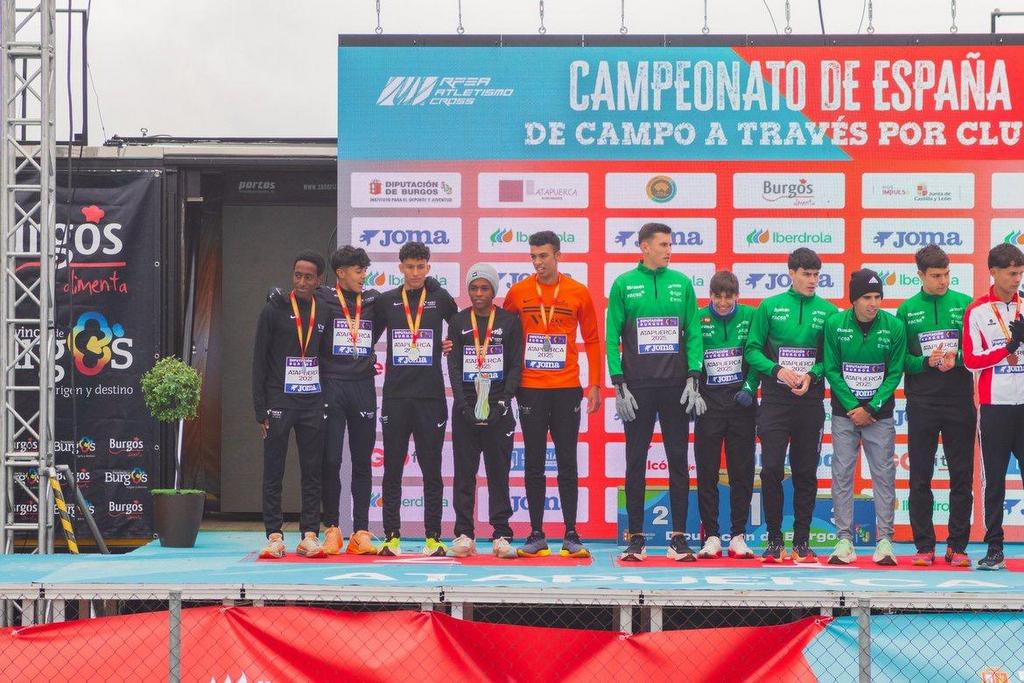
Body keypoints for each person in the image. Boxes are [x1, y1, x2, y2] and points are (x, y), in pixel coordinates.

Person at [606, 222, 705, 562]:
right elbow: (611, 337)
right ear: (644, 247)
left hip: (676, 387)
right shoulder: (624, 284)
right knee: (635, 460)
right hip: (638, 388)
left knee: (678, 460)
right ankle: (636, 539)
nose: (668, 250)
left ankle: (679, 539)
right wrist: (618, 382)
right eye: (663, 244)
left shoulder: (681, 283)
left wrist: (693, 376)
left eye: (670, 244)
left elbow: (693, 332)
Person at [503, 230, 602, 559]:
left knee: (567, 461)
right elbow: (503, 332)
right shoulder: (518, 292)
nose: (538, 262)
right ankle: (536, 534)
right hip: (530, 388)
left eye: (543, 256)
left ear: (558, 255)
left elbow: (592, 339)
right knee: (533, 461)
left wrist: (595, 384)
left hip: (566, 388)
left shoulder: (578, 292)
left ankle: (571, 534)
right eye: (533, 256)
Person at [744, 248, 838, 563]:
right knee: (771, 469)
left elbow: (830, 359)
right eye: (806, 274)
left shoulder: (829, 311)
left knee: (805, 472)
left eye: (816, 275)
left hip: (809, 402)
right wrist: (777, 370)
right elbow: (752, 350)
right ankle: (774, 540)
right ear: (791, 273)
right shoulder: (769, 307)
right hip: (774, 401)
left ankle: (801, 542)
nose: (812, 280)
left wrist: (812, 375)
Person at [374, 241, 458, 557]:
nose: (415, 272)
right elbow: (367, 336)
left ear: (428, 267)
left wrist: (451, 344)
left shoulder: (439, 298)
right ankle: (391, 537)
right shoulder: (387, 300)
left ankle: (433, 537)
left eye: (421, 267)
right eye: (409, 267)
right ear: (400, 268)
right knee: (392, 468)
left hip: (430, 397)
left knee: (432, 469)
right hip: (395, 396)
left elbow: (462, 328)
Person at [896, 245, 974, 567]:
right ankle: (924, 546)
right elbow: (901, 360)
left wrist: (958, 359)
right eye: (936, 276)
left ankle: (957, 546)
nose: (943, 281)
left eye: (946, 274)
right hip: (922, 402)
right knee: (920, 477)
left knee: (962, 477)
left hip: (959, 401)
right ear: (920, 275)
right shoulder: (906, 310)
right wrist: (926, 361)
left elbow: (977, 354)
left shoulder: (965, 304)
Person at [823, 269, 905, 566]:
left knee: (883, 474)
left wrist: (870, 408)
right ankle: (844, 540)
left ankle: (885, 541)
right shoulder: (835, 324)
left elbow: (894, 372)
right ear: (854, 299)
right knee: (842, 473)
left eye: (878, 297)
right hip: (845, 414)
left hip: (878, 415)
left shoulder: (894, 326)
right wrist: (853, 407)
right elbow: (831, 368)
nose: (874, 303)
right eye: (867, 297)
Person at [252, 251, 330, 559]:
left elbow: (329, 356)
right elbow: (259, 360)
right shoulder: (274, 309)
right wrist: (260, 409)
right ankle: (274, 535)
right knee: (274, 470)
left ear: (319, 280)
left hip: (312, 402)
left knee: (312, 471)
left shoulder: (324, 310)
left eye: (308, 277)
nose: (301, 281)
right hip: (279, 402)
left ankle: (309, 535)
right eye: (297, 275)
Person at [447, 264, 523, 559]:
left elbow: (515, 365)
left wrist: (503, 402)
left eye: (484, 288)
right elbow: (454, 366)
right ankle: (464, 534)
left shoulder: (509, 321)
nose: (478, 294)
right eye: (474, 288)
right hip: (466, 410)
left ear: (494, 291)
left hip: (498, 410)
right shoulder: (458, 321)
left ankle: (501, 534)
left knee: (498, 474)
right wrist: (463, 405)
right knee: (464, 474)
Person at [964, 243, 1024, 571]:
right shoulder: (977, 311)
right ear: (994, 272)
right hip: (994, 407)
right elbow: (971, 360)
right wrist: (1008, 347)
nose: (1017, 279)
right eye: (1012, 273)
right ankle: (995, 547)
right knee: (995, 481)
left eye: (1020, 273)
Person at [319, 246, 381, 555]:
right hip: (331, 385)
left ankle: (361, 531)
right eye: (358, 271)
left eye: (364, 271)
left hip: (363, 387)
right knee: (331, 460)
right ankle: (332, 528)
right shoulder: (323, 298)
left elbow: (405, 305)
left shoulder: (373, 300)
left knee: (362, 461)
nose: (363, 276)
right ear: (341, 273)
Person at [694, 271, 759, 560]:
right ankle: (711, 536)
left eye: (728, 297)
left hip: (741, 407)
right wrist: (694, 392)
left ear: (737, 296)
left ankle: (738, 536)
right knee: (707, 472)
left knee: (741, 473)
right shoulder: (698, 317)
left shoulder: (751, 316)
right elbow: (690, 356)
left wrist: (749, 388)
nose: (722, 302)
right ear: (710, 295)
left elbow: (757, 355)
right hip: (708, 408)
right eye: (717, 296)